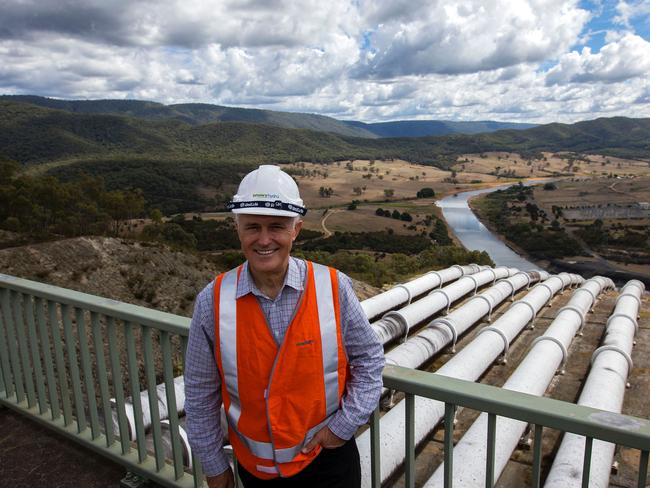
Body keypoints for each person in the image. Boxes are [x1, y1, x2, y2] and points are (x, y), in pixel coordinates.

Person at [184, 165, 385, 488]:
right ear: (238, 229)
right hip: (256, 471)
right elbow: (198, 394)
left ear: (296, 230)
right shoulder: (213, 301)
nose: (264, 240)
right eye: (253, 227)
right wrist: (214, 466)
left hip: (328, 463)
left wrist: (340, 429)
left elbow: (370, 360)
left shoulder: (333, 287)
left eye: (276, 227)